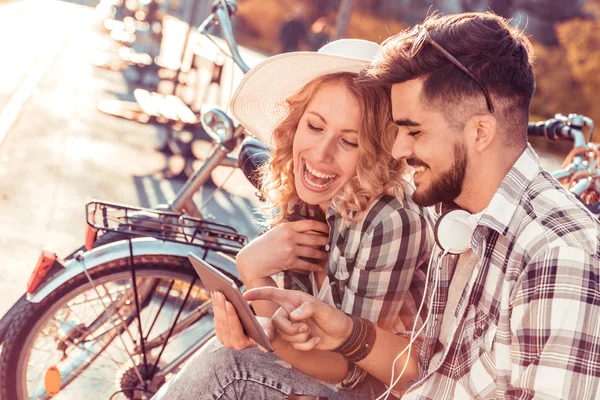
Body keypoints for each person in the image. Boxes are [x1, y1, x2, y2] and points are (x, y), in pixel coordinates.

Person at [243, 11, 600, 399]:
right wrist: (346, 332)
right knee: (232, 359)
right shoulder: (456, 218)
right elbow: (428, 373)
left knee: (233, 370)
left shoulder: (559, 257)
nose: (397, 149)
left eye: (414, 131)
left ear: (480, 131)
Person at [152, 39, 434, 399]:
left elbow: (356, 375)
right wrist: (257, 277)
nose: (321, 153)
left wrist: (254, 287)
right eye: (315, 127)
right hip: (315, 378)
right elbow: (286, 340)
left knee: (228, 367)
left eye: (349, 141)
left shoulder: (390, 219)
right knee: (227, 356)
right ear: (296, 124)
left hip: (376, 391)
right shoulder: (310, 197)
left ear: (377, 153)